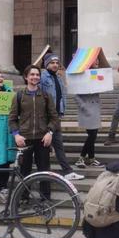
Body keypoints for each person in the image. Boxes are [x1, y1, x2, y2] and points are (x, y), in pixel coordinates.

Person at [8, 65, 60, 194]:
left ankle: (45, 198)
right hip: (24, 139)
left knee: (44, 170)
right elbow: (12, 119)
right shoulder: (19, 96)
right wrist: (16, 135)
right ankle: (24, 197)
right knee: (24, 171)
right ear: (26, 77)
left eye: (37, 75)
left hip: (43, 139)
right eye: (32, 74)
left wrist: (50, 132)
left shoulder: (46, 96)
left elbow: (55, 118)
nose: (35, 77)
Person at [40, 53, 84, 181]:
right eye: (52, 63)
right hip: (46, 117)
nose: (55, 65)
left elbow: (61, 96)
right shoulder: (43, 77)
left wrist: (61, 111)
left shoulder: (58, 77)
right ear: (47, 64)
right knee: (47, 145)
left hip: (56, 116)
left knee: (58, 145)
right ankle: (45, 172)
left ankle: (67, 171)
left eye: (57, 63)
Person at [74, 58, 104, 168]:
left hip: (95, 109)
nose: (97, 63)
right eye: (95, 61)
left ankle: (91, 159)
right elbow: (76, 95)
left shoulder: (95, 75)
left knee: (93, 135)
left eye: (98, 61)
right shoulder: (82, 76)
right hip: (87, 110)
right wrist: (84, 107)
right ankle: (81, 158)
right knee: (92, 136)